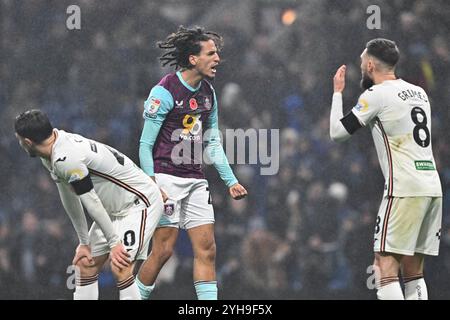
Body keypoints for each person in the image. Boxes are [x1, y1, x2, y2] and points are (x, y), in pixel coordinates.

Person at [137, 25, 248, 300]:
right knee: (163, 251)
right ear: (192, 59)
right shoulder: (164, 91)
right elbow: (145, 144)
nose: (217, 59)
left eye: (217, 53)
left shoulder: (208, 93)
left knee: (207, 249)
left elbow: (212, 142)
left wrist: (230, 181)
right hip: (166, 178)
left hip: (196, 179)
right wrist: (151, 184)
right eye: (211, 53)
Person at [329, 38, 443, 300]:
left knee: (384, 267)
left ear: (370, 65)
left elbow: (337, 133)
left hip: (404, 189)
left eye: (361, 62)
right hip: (431, 186)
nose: (360, 67)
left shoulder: (376, 94)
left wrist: (337, 92)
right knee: (414, 271)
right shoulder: (418, 92)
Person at [14, 109, 164, 300]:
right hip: (113, 209)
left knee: (120, 265)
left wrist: (114, 242)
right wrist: (84, 242)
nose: (20, 144)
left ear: (27, 142)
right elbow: (70, 198)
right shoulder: (52, 150)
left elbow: (91, 201)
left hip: (139, 202)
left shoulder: (67, 158)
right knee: (84, 264)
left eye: (19, 140)